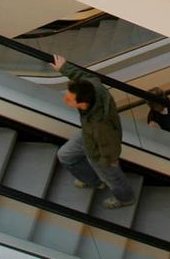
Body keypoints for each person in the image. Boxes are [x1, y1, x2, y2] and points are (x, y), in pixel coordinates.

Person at [51, 53, 138, 208]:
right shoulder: (93, 86)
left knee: (113, 178)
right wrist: (64, 68)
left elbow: (110, 147)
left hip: (100, 153)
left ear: (83, 104)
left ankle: (126, 199)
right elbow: (84, 76)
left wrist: (106, 162)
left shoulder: (100, 125)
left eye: (69, 99)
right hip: (89, 136)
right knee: (65, 155)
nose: (65, 99)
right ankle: (94, 181)